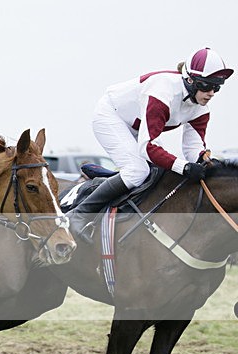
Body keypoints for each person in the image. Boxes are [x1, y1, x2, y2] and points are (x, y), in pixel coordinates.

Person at [69, 47, 233, 242]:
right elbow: (148, 147)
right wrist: (185, 167)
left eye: (217, 87)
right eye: (207, 86)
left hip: (139, 127)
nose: (212, 93)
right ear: (190, 80)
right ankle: (78, 215)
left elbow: (193, 148)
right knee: (137, 171)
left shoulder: (201, 108)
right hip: (111, 116)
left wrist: (206, 162)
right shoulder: (162, 92)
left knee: (158, 173)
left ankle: (113, 185)